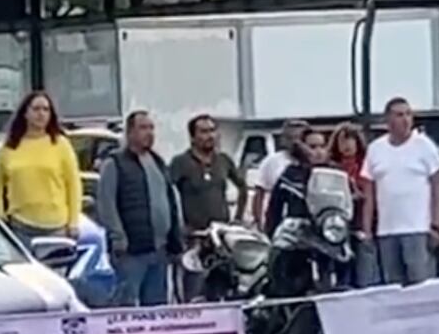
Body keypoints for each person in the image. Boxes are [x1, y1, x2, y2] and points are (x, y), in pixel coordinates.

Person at [96, 110, 185, 308]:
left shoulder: (158, 162)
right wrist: (118, 238)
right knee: (126, 306)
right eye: (143, 128)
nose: (149, 133)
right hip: (131, 252)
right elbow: (106, 204)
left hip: (159, 250)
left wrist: (175, 240)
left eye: (151, 128)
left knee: (156, 307)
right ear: (130, 133)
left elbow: (169, 201)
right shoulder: (115, 163)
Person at [363, 98, 439, 287]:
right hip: (387, 231)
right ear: (388, 119)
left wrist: (436, 225)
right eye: (400, 115)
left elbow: (437, 187)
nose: (406, 119)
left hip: (418, 228)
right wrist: (367, 230)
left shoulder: (424, 146)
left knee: (421, 284)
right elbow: (369, 192)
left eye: (409, 114)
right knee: (393, 285)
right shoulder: (376, 149)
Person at [0, 92, 83, 244]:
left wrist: (73, 222)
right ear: (25, 113)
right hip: (20, 228)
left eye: (46, 110)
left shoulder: (60, 144)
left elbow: (74, 185)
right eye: (36, 109)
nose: (41, 114)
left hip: (57, 229)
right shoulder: (10, 147)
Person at [169, 114, 247, 301]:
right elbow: (167, 194)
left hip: (221, 238)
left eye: (212, 130)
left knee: (224, 287)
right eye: (204, 131)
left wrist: (238, 218)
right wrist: (178, 226)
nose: (210, 136)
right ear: (193, 137)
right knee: (194, 290)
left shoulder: (223, 160)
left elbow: (242, 187)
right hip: (194, 238)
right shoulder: (180, 163)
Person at [327, 123, 374, 287]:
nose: (346, 145)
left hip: (362, 222)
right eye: (342, 141)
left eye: (350, 140)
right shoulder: (331, 168)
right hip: (338, 226)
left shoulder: (366, 165)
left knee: (365, 268)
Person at [250, 119, 309, 226]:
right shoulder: (271, 162)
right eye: (291, 138)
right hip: (279, 222)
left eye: (299, 139)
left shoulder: (314, 162)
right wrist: (258, 221)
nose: (295, 143)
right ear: (283, 140)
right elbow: (259, 193)